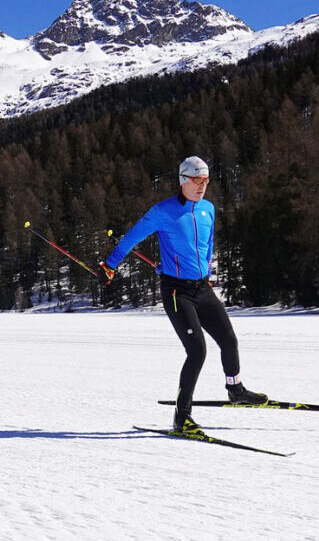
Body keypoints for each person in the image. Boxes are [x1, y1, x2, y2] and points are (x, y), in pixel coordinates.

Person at [99, 156, 268, 434]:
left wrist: (207, 272)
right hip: (177, 291)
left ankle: (235, 389)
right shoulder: (162, 211)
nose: (202, 186)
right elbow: (132, 237)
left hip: (201, 287)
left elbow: (208, 242)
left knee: (229, 339)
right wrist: (110, 265)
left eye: (206, 181)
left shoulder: (208, 209)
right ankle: (182, 417)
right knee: (197, 351)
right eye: (197, 180)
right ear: (183, 180)